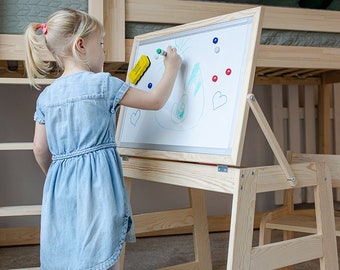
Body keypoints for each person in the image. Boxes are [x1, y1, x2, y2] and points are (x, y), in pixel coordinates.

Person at [24, 8, 182, 270]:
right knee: (98, 251)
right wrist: (172, 69)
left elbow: (40, 149)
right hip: (98, 186)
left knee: (67, 250)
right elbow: (155, 101)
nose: (104, 51)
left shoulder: (46, 97)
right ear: (81, 45)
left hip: (60, 186)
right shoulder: (102, 84)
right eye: (101, 43)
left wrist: (54, 176)